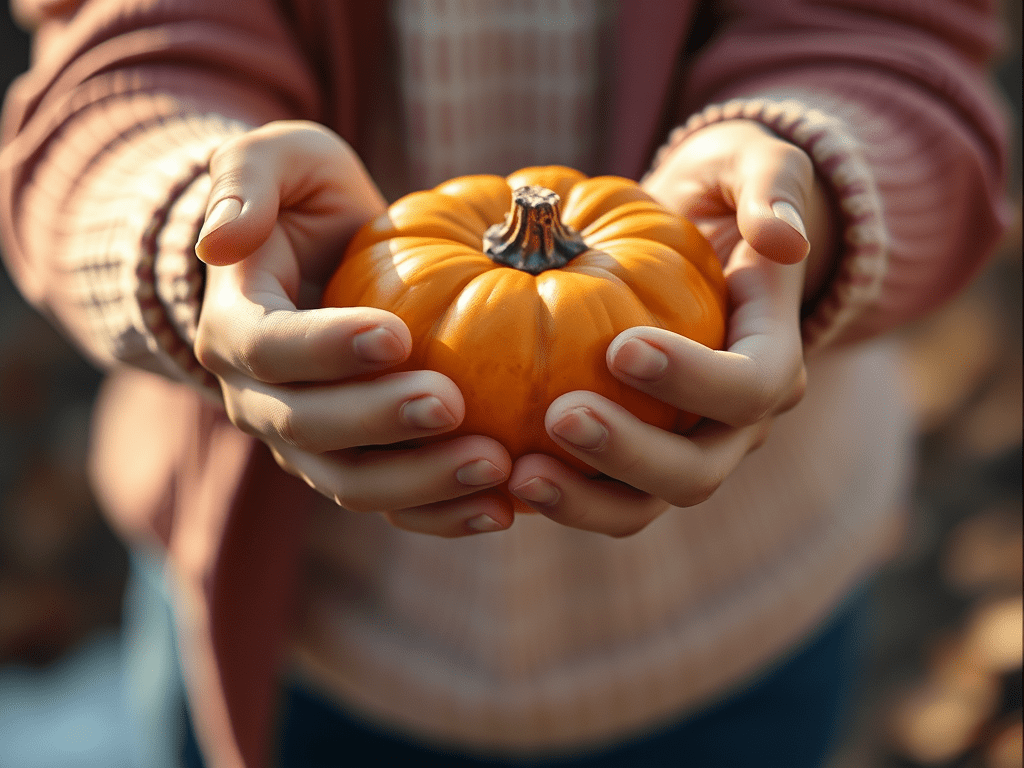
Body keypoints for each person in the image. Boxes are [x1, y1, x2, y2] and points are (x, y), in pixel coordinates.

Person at [0, 1, 1011, 766]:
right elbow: (116, 54)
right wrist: (202, 235)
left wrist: (811, 194)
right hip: (276, 625)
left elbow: (895, 33)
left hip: (746, 605)